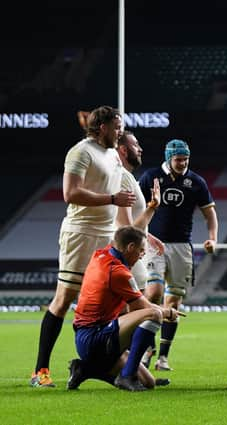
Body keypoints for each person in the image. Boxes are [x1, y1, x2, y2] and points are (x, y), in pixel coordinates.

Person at [30, 105, 136, 388]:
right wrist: (112, 199)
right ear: (102, 127)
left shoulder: (113, 154)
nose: (120, 132)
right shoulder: (80, 151)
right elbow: (70, 193)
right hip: (81, 234)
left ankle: (124, 371)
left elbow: (121, 200)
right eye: (116, 127)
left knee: (120, 307)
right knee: (64, 300)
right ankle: (40, 371)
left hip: (107, 237)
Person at [67, 226, 184, 391]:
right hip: (95, 338)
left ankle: (84, 369)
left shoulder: (102, 254)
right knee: (154, 314)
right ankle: (127, 376)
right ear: (130, 247)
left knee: (148, 383)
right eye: (141, 251)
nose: (142, 255)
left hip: (92, 334)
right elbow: (141, 308)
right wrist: (168, 311)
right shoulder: (118, 272)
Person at [138, 139, 218, 372]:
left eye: (185, 159)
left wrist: (212, 237)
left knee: (173, 302)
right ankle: (147, 347)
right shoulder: (150, 177)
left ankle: (163, 356)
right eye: (178, 159)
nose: (183, 163)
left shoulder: (196, 182)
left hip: (182, 247)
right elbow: (135, 207)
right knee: (152, 293)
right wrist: (141, 233)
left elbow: (210, 213)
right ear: (168, 158)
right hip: (153, 244)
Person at [115, 131, 165, 368]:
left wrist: (149, 236)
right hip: (128, 257)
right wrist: (153, 207)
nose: (140, 149)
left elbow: (134, 225)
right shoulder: (121, 177)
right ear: (123, 150)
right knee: (135, 315)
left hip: (135, 255)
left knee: (135, 315)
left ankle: (131, 368)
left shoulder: (128, 177)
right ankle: (124, 368)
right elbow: (125, 230)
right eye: (135, 145)